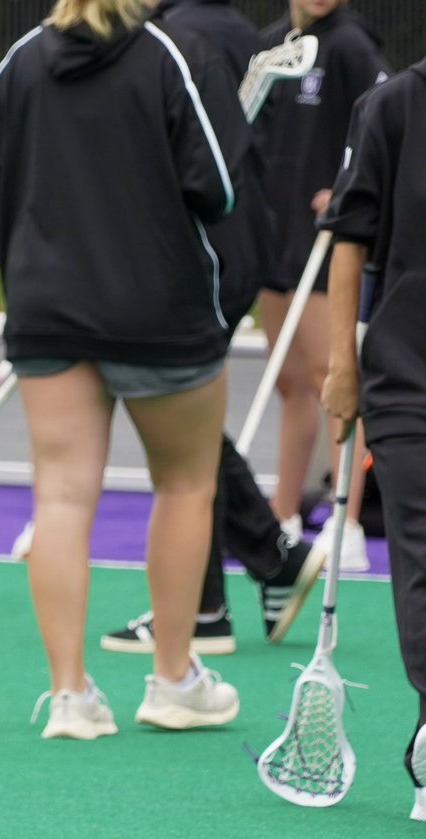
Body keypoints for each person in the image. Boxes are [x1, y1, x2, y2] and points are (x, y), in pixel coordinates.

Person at [0, 0, 243, 738]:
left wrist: (33, 273)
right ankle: (172, 678)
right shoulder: (166, 57)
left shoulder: (19, 63)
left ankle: (70, 695)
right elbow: (216, 188)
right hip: (161, 310)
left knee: (61, 498)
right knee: (187, 485)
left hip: (47, 310)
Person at [102, 0, 328, 655]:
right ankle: (265, 559)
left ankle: (206, 606)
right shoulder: (231, 32)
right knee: (179, 411)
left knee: (171, 415)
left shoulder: (172, 40)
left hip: (200, 250)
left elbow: (174, 160)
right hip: (234, 242)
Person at [318, 56, 426, 820]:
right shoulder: (392, 107)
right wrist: (341, 366)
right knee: (420, 547)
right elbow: (349, 239)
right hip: (407, 374)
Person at [257, 0, 388, 570]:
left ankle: (348, 523)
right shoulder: (272, 45)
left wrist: (346, 187)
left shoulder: (354, 46)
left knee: (328, 377)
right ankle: (283, 517)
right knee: (289, 382)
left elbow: (384, 125)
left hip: (325, 246)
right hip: (274, 240)